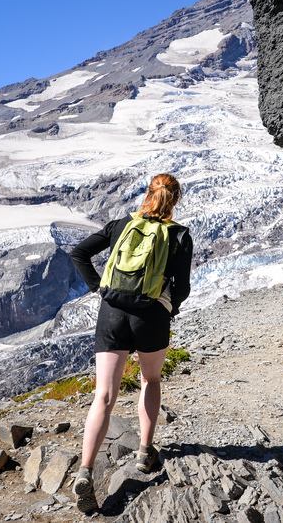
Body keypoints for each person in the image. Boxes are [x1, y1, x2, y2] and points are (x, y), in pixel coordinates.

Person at [67, 173, 193, 513]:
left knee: (104, 396)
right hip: (150, 316)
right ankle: (144, 451)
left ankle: (85, 470)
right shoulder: (180, 235)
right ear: (175, 200)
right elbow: (182, 287)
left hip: (112, 312)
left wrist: (98, 288)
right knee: (150, 380)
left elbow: (79, 253)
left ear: (147, 193)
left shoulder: (120, 225)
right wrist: (170, 307)